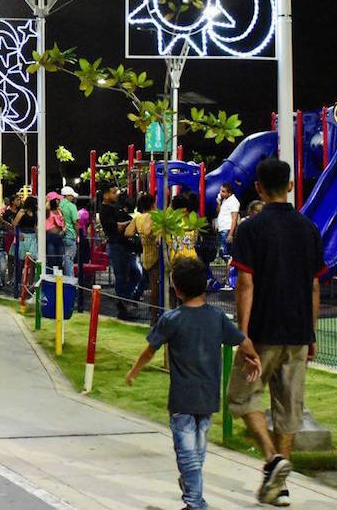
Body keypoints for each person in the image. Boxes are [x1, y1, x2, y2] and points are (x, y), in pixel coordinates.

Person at [226, 159, 324, 506]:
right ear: (291, 186)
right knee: (288, 410)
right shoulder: (309, 229)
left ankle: (273, 460)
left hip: (263, 331)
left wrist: (243, 333)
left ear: (258, 188)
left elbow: (246, 283)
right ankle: (279, 487)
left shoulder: (251, 229)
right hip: (298, 332)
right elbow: (314, 287)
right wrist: (312, 333)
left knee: (241, 397)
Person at [126, 257, 260, 510]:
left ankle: (193, 498)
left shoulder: (172, 319)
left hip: (183, 400)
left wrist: (134, 371)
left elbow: (150, 350)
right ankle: (194, 498)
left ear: (176, 288)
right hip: (207, 399)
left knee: (190, 456)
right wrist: (254, 358)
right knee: (195, 455)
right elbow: (243, 341)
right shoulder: (218, 317)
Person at [99, 182, 137, 319]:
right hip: (116, 245)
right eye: (114, 192)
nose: (117, 194)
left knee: (135, 273)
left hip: (124, 245)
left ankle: (124, 300)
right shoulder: (104, 210)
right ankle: (122, 305)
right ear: (106, 194)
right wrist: (133, 222)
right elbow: (118, 227)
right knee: (121, 276)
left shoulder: (116, 207)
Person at [125, 192, 160, 321]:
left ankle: (153, 312)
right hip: (155, 254)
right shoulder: (152, 216)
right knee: (155, 288)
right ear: (152, 204)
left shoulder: (137, 218)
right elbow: (147, 230)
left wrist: (140, 235)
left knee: (149, 285)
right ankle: (154, 316)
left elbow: (127, 232)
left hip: (145, 254)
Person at [12, 195, 39, 280]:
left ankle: (30, 282)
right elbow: (15, 223)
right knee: (21, 261)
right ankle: (18, 280)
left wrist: (37, 235)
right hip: (23, 236)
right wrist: (19, 233)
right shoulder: (22, 212)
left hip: (32, 236)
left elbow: (35, 225)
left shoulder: (35, 213)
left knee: (33, 260)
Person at [59, 186, 79, 281]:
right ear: (67, 196)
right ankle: (69, 282)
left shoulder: (57, 205)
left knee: (59, 259)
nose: (73, 198)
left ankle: (59, 281)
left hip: (58, 235)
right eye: (72, 196)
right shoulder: (71, 206)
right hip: (70, 235)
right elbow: (75, 222)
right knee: (69, 260)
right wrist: (77, 234)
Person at [215, 183, 240, 258]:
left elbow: (234, 219)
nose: (220, 192)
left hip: (227, 230)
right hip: (222, 229)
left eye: (223, 191)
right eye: (220, 190)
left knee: (226, 254)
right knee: (222, 253)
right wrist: (219, 203)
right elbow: (219, 213)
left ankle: (228, 269)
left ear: (229, 193)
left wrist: (230, 234)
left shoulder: (233, 201)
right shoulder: (225, 200)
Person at [44, 192, 65, 263]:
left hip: (59, 236)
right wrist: (48, 201)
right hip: (50, 237)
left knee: (60, 259)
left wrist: (63, 230)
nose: (59, 201)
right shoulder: (47, 211)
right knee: (51, 258)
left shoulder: (59, 211)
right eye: (57, 199)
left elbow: (63, 222)